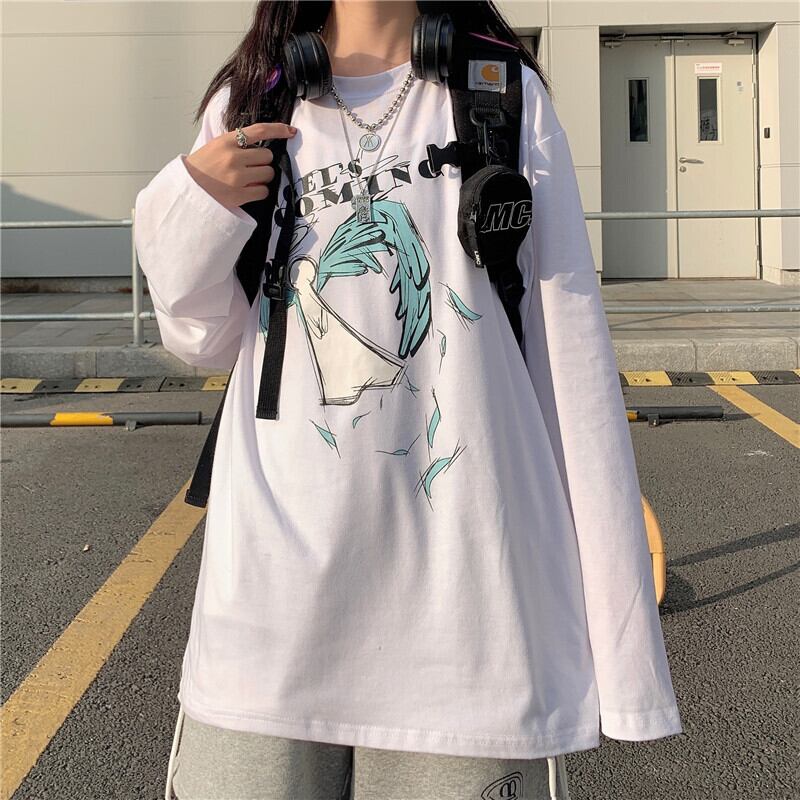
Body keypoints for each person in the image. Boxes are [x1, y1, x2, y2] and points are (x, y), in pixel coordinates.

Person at [133, 1, 684, 798]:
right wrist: (193, 203)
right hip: (266, 620)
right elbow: (201, 337)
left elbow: (573, 365)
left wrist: (625, 658)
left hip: (468, 637)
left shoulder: (501, 95)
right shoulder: (255, 98)